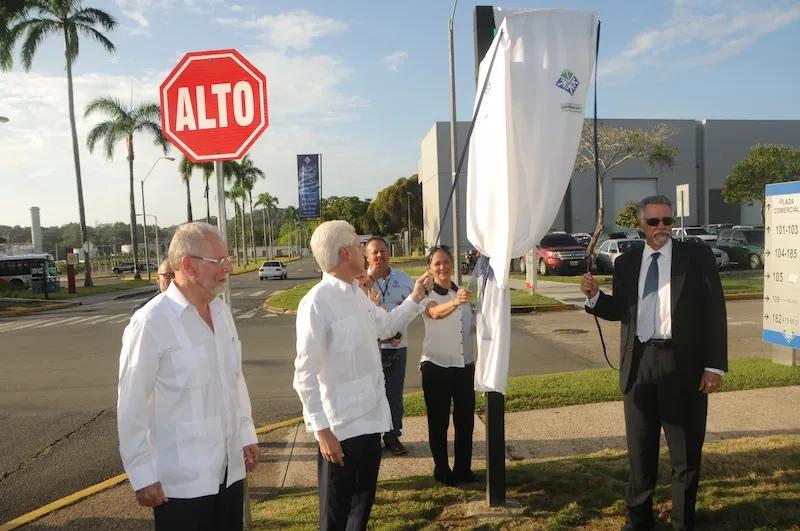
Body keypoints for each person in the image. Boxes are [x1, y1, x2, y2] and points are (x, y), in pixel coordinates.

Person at [580, 195, 727, 531]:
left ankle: (682, 523)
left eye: (667, 221)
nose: (662, 228)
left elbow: (714, 311)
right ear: (640, 225)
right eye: (654, 222)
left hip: (684, 366)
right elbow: (621, 310)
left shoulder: (696, 257)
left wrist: (714, 366)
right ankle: (638, 519)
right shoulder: (627, 262)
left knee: (685, 456)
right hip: (639, 365)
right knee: (640, 451)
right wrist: (595, 297)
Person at [117, 222, 260, 531]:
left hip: (229, 472)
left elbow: (234, 380)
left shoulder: (221, 312)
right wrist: (142, 474)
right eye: (219, 261)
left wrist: (246, 434)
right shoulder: (150, 322)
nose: (228, 268)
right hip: (181, 483)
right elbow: (131, 405)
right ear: (187, 265)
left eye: (227, 259)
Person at [293, 220, 432, 530]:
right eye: (358, 245)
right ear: (345, 253)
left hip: (371, 421)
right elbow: (304, 375)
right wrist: (322, 431)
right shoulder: (316, 303)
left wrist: (415, 298)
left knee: (361, 508)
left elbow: (386, 326)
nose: (362, 251)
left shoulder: (357, 294)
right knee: (335, 515)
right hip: (340, 429)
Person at [420, 245, 476, 486]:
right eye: (437, 263)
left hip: (464, 366)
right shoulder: (426, 294)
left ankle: (463, 469)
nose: (442, 267)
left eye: (446, 262)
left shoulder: (461, 292)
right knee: (439, 422)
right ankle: (442, 469)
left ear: (453, 264)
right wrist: (455, 303)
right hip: (436, 366)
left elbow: (470, 326)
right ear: (430, 268)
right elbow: (435, 313)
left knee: (465, 422)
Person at [365, 236, 415, 456]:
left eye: (383, 251)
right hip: (370, 349)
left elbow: (414, 307)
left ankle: (393, 435)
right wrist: (384, 337)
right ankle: (371, 437)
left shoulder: (403, 279)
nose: (379, 255)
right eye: (374, 252)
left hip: (398, 347)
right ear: (366, 256)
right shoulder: (360, 282)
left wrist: (397, 332)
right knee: (372, 394)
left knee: (394, 394)